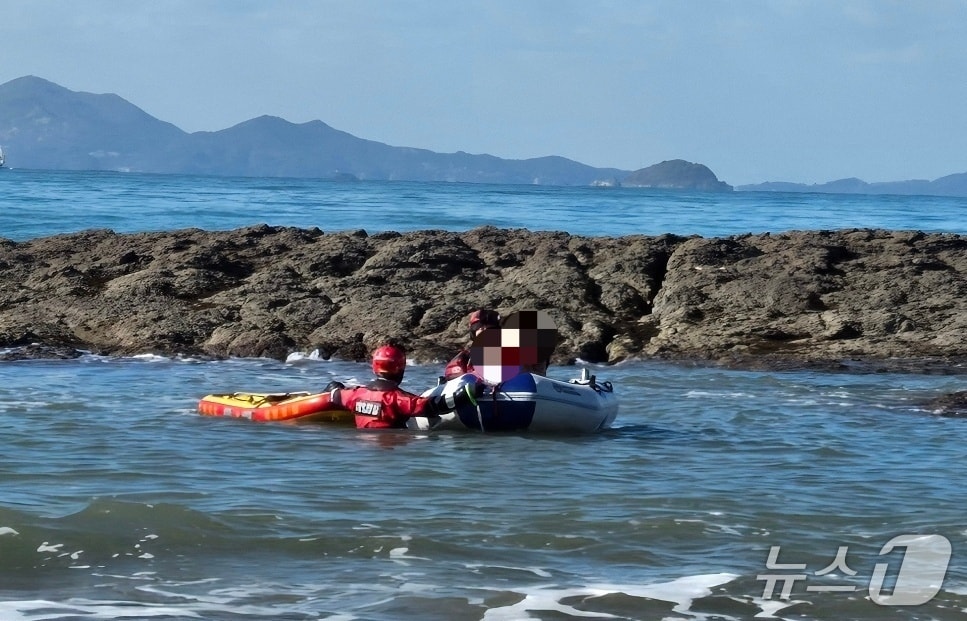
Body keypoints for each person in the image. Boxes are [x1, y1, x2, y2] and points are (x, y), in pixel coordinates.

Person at [323, 343, 483, 429]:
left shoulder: (354, 395)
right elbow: (434, 407)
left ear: (374, 367)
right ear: (401, 369)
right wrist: (467, 393)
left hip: (363, 451)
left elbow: (334, 394)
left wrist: (333, 387)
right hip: (393, 451)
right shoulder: (398, 400)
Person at [443, 308, 501, 381]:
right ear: (474, 333)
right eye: (481, 328)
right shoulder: (463, 360)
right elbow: (454, 382)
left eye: (491, 330)